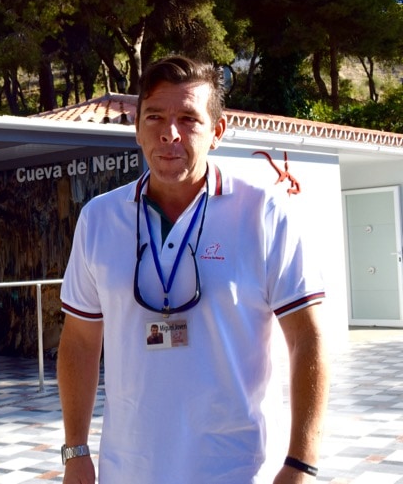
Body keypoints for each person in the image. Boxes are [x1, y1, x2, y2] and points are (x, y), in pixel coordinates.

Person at [57, 56, 329, 483]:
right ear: (137, 129)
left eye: (188, 118)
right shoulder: (98, 219)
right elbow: (79, 341)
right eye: (155, 117)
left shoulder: (262, 213)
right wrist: (75, 450)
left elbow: (307, 338)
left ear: (217, 132)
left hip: (238, 468)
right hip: (129, 469)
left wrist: (300, 463)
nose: (170, 133)